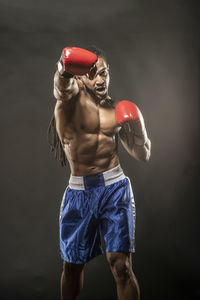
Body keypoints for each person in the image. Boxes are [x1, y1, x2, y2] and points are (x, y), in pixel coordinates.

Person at [47, 46, 151, 300]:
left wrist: (138, 128)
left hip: (115, 189)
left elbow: (143, 155)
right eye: (92, 73)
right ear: (80, 76)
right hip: (79, 194)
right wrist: (64, 67)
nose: (100, 79)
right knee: (71, 268)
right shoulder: (68, 101)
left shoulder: (115, 110)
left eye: (104, 73)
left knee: (122, 267)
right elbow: (61, 86)